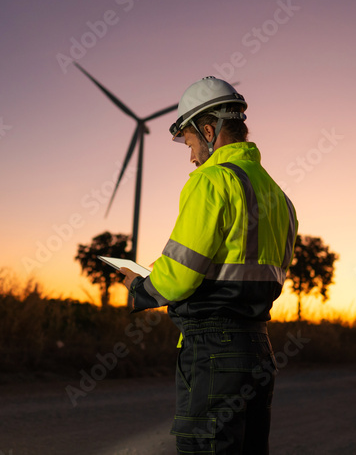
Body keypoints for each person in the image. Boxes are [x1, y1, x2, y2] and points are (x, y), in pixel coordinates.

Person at [117, 76, 298, 455]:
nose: (192, 156)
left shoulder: (212, 181)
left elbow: (180, 276)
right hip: (259, 347)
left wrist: (139, 285)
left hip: (214, 348)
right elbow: (228, 263)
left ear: (209, 129)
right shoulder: (278, 196)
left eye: (190, 142)